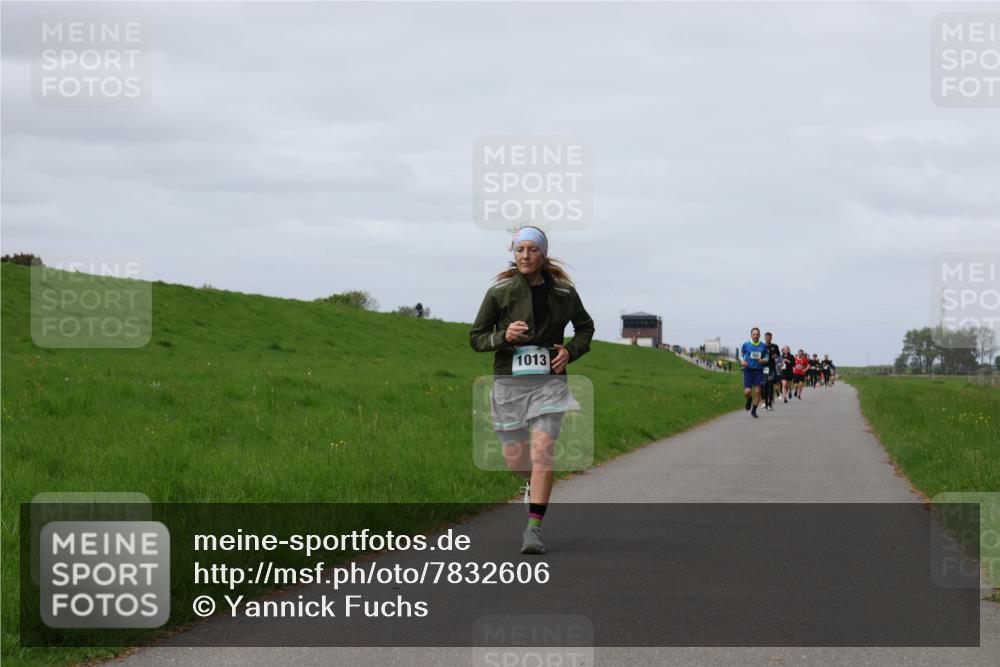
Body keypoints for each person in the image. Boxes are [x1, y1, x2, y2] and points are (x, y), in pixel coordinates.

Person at [469, 226, 594, 555]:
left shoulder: (565, 293)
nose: (525, 255)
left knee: (542, 452)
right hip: (509, 385)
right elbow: (476, 338)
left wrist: (570, 351)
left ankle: (534, 529)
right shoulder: (499, 292)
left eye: (532, 249)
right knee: (516, 460)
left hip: (549, 384)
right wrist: (504, 336)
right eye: (520, 249)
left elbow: (585, 327)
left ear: (543, 253)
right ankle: (532, 481)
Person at [738, 327, 768, 418]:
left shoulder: (763, 346)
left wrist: (763, 360)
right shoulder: (746, 345)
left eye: (757, 334)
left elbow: (767, 357)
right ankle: (749, 399)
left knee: (758, 391)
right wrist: (742, 361)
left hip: (758, 371)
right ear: (751, 335)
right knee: (747, 391)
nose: (755, 336)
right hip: (748, 370)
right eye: (754, 334)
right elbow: (740, 354)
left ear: (759, 335)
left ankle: (754, 410)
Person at [762, 332, 780, 410]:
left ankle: (770, 403)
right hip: (763, 368)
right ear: (764, 338)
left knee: (770, 385)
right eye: (766, 337)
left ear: (771, 338)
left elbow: (778, 354)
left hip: (771, 368)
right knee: (764, 386)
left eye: (769, 337)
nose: (768, 338)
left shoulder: (774, 346)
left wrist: (775, 355)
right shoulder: (762, 346)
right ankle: (765, 403)